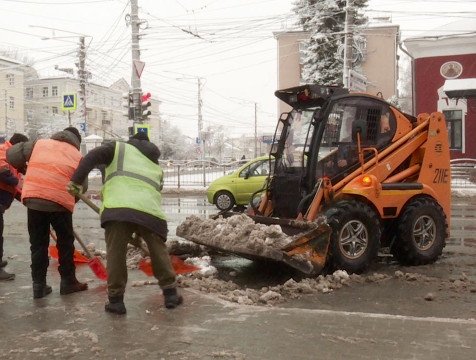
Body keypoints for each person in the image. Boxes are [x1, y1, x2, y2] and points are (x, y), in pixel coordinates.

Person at [67, 132, 182, 315]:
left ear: (132, 141)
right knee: (158, 251)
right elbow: (152, 190)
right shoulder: (155, 165)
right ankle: (170, 293)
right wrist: (138, 228)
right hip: (151, 214)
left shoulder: (118, 148)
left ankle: (116, 301)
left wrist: (76, 180)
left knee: (116, 253)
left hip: (118, 209)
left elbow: (91, 157)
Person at [6, 127, 88, 299]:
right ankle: (68, 282)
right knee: (65, 243)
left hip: (34, 199)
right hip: (60, 201)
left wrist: (23, 167)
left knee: (37, 244)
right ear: (76, 141)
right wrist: (67, 202)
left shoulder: (39, 144)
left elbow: (11, 155)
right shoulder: (77, 156)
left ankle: (39, 286)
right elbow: (82, 187)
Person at [0, 133, 29, 281]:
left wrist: (26, 199)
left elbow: (16, 187)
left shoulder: (12, 158)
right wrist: (15, 182)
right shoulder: (4, 150)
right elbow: (3, 172)